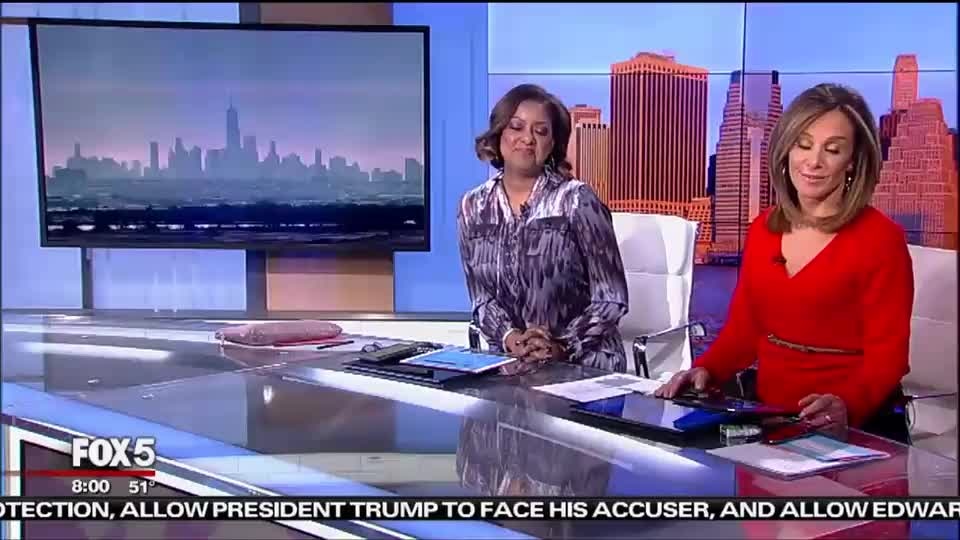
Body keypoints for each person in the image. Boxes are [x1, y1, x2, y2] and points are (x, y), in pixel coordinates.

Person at [655, 83, 915, 443]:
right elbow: (744, 332)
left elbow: (889, 358)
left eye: (833, 149)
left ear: (853, 160)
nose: (813, 161)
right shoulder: (764, 229)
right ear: (787, 149)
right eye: (803, 145)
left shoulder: (881, 239)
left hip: (856, 424)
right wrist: (705, 370)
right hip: (771, 417)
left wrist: (847, 405)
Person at [457, 84, 629, 372]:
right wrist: (511, 338)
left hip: (584, 362)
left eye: (541, 131)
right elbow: (481, 298)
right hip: (512, 363)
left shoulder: (576, 200)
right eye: (516, 127)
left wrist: (562, 345)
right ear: (499, 134)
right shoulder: (473, 207)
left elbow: (611, 298)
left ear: (553, 144)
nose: (527, 139)